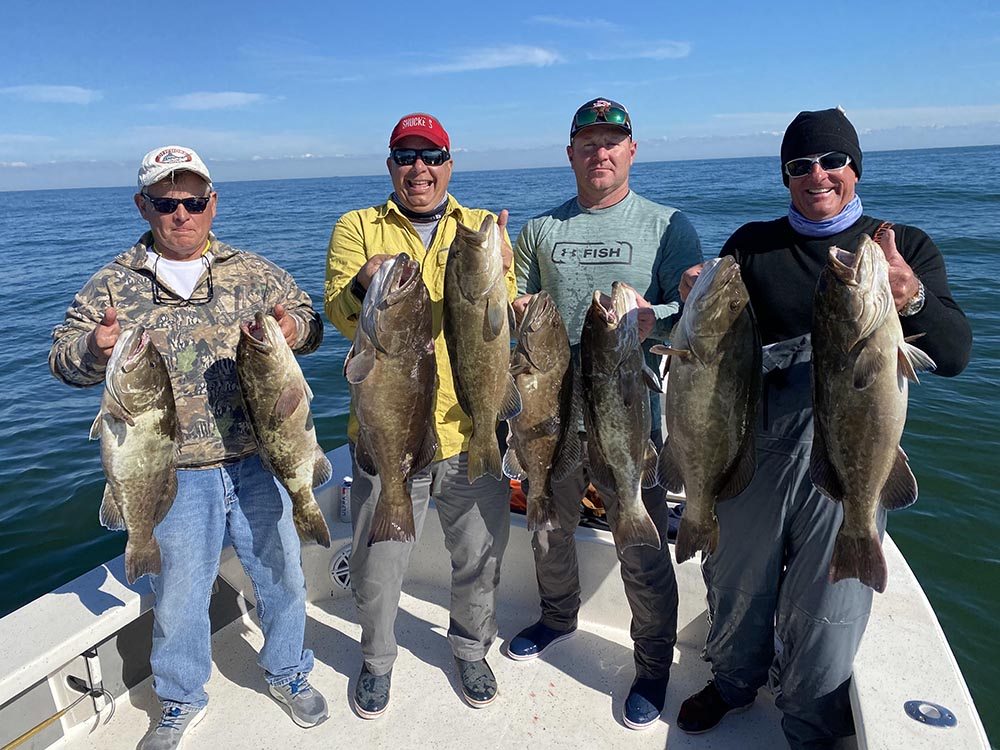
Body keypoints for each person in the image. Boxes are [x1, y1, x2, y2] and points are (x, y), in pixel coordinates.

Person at [673, 107, 972, 749]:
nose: (818, 175)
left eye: (833, 160)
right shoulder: (752, 245)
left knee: (830, 605)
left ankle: (810, 721)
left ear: (855, 166)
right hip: (757, 441)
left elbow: (954, 355)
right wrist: (690, 291)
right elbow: (713, 340)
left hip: (848, 447)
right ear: (786, 176)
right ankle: (731, 681)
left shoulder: (900, 248)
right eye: (800, 164)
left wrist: (913, 297)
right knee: (736, 579)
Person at [49, 146, 328, 749]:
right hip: (170, 473)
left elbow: (309, 322)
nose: (182, 214)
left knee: (282, 576)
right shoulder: (112, 285)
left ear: (212, 202)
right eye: (166, 202)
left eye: (194, 200)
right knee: (177, 596)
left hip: (258, 459)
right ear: (143, 206)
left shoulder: (253, 271)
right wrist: (92, 353)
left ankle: (288, 671)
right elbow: (62, 359)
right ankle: (180, 699)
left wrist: (295, 328)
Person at [508, 97, 703, 730]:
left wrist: (660, 316)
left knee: (639, 543)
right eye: (588, 142)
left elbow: (694, 306)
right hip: (550, 418)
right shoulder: (539, 230)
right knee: (546, 527)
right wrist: (507, 305)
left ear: (632, 151)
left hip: (627, 418)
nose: (601, 152)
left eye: (612, 142)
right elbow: (516, 309)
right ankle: (558, 616)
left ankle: (652, 665)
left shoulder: (669, 226)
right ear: (570, 154)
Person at [324, 113, 517, 718]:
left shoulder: (481, 230)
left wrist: (504, 269)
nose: (419, 169)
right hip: (389, 432)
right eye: (406, 157)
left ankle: (470, 647)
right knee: (378, 565)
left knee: (480, 556)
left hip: (470, 430)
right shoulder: (356, 227)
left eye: (431, 156)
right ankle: (377, 661)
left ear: (449, 165)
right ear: (390, 167)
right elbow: (340, 315)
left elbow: (496, 326)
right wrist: (363, 284)